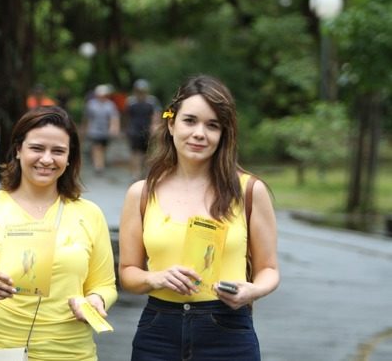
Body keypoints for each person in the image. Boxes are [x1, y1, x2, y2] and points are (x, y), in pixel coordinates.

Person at [118, 75, 279, 361]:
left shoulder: (250, 191)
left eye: (212, 125)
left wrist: (252, 290)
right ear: (171, 124)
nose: (199, 133)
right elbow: (129, 272)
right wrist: (156, 278)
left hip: (228, 329)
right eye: (190, 121)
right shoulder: (141, 193)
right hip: (158, 331)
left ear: (223, 134)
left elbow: (269, 269)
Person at [0, 106, 118, 360]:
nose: (47, 159)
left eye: (58, 151)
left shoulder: (89, 214)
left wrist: (96, 300)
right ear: (18, 149)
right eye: (37, 148)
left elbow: (104, 285)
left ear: (70, 157)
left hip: (71, 353)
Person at [125, 79, 161, 180]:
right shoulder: (130, 101)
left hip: (147, 130)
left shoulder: (152, 101)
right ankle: (135, 173)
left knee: (147, 152)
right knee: (135, 152)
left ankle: (145, 172)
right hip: (134, 130)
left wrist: (155, 126)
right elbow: (127, 116)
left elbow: (156, 115)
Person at [83, 84, 120, 174]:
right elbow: (87, 117)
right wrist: (85, 128)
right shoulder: (91, 104)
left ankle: (100, 162)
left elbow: (114, 118)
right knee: (97, 147)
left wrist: (114, 128)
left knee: (103, 148)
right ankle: (98, 166)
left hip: (106, 131)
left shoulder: (110, 105)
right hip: (94, 130)